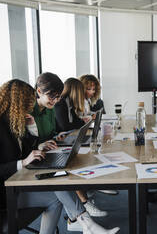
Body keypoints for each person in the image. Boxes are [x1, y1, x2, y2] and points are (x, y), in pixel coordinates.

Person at [0, 79, 119, 234]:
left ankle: (88, 225)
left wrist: (33, 132)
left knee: (56, 193)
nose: (31, 107)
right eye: (27, 103)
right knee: (55, 187)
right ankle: (89, 226)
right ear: (16, 104)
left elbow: (24, 150)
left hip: (19, 183)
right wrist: (21, 163)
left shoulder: (14, 122)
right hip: (2, 196)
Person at [26, 73, 108, 219]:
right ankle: (82, 210)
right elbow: (28, 142)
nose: (56, 101)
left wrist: (56, 136)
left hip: (49, 150)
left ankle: (78, 217)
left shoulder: (50, 108)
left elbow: (51, 132)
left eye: (58, 97)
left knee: (74, 160)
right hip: (36, 157)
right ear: (39, 92)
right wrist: (40, 144)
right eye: (53, 97)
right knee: (67, 169)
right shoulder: (30, 112)